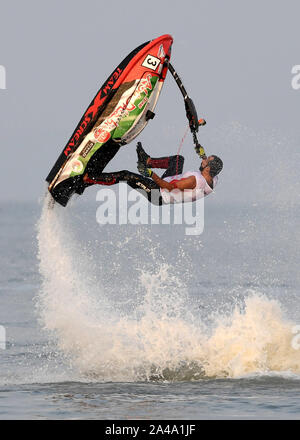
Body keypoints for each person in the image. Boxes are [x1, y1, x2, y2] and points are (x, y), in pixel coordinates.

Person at [83, 142, 223, 205]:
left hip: (158, 193)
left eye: (206, 161)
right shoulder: (213, 179)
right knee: (178, 160)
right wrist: (203, 155)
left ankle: (89, 178)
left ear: (208, 169)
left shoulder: (194, 181)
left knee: (126, 175)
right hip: (169, 183)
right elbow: (209, 167)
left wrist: (150, 174)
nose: (204, 161)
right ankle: (147, 160)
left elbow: (168, 187)